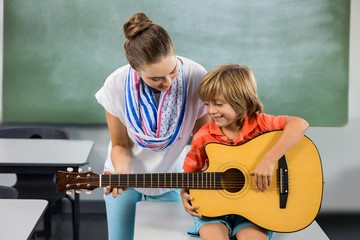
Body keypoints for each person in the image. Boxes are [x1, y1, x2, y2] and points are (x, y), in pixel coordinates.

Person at [95, 12, 210, 240]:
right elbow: (119, 144)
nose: (167, 82)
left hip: (172, 177)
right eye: (156, 78)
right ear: (135, 69)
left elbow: (203, 141)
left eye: (172, 71)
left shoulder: (196, 76)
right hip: (127, 175)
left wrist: (197, 181)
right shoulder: (115, 84)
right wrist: (121, 174)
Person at [181, 64, 309, 240]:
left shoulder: (261, 123)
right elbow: (189, 174)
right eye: (207, 104)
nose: (211, 111)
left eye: (218, 104)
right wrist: (184, 194)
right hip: (213, 210)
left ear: (242, 101)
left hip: (256, 209)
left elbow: (299, 124)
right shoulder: (203, 136)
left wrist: (269, 161)